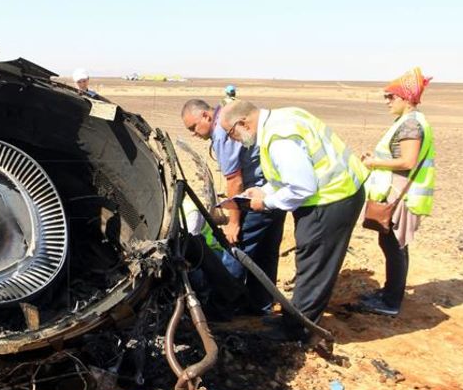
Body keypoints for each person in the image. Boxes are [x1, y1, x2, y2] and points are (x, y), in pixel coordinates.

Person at [219, 100, 369, 341]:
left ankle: (298, 330)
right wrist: (263, 191)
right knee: (312, 261)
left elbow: (301, 186)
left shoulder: (279, 139)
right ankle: (298, 320)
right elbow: (288, 175)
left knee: (314, 263)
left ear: (243, 122)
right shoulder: (284, 117)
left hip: (331, 199)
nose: (233, 140)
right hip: (337, 193)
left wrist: (265, 203)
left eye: (231, 133)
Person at [181, 99, 285, 314]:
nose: (194, 133)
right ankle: (261, 305)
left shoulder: (221, 132)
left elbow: (234, 181)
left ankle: (224, 306)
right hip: (275, 191)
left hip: (254, 197)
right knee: (266, 252)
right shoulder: (226, 124)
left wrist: (233, 222)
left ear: (206, 117)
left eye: (193, 127)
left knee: (236, 251)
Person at [359, 67, 436, 316]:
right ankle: (389, 292)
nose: (387, 102)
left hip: (402, 195)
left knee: (395, 245)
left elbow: (407, 161)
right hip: (398, 192)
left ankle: (391, 302)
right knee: (391, 243)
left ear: (406, 98)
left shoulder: (411, 124)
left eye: (391, 97)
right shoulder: (407, 122)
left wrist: (373, 163)